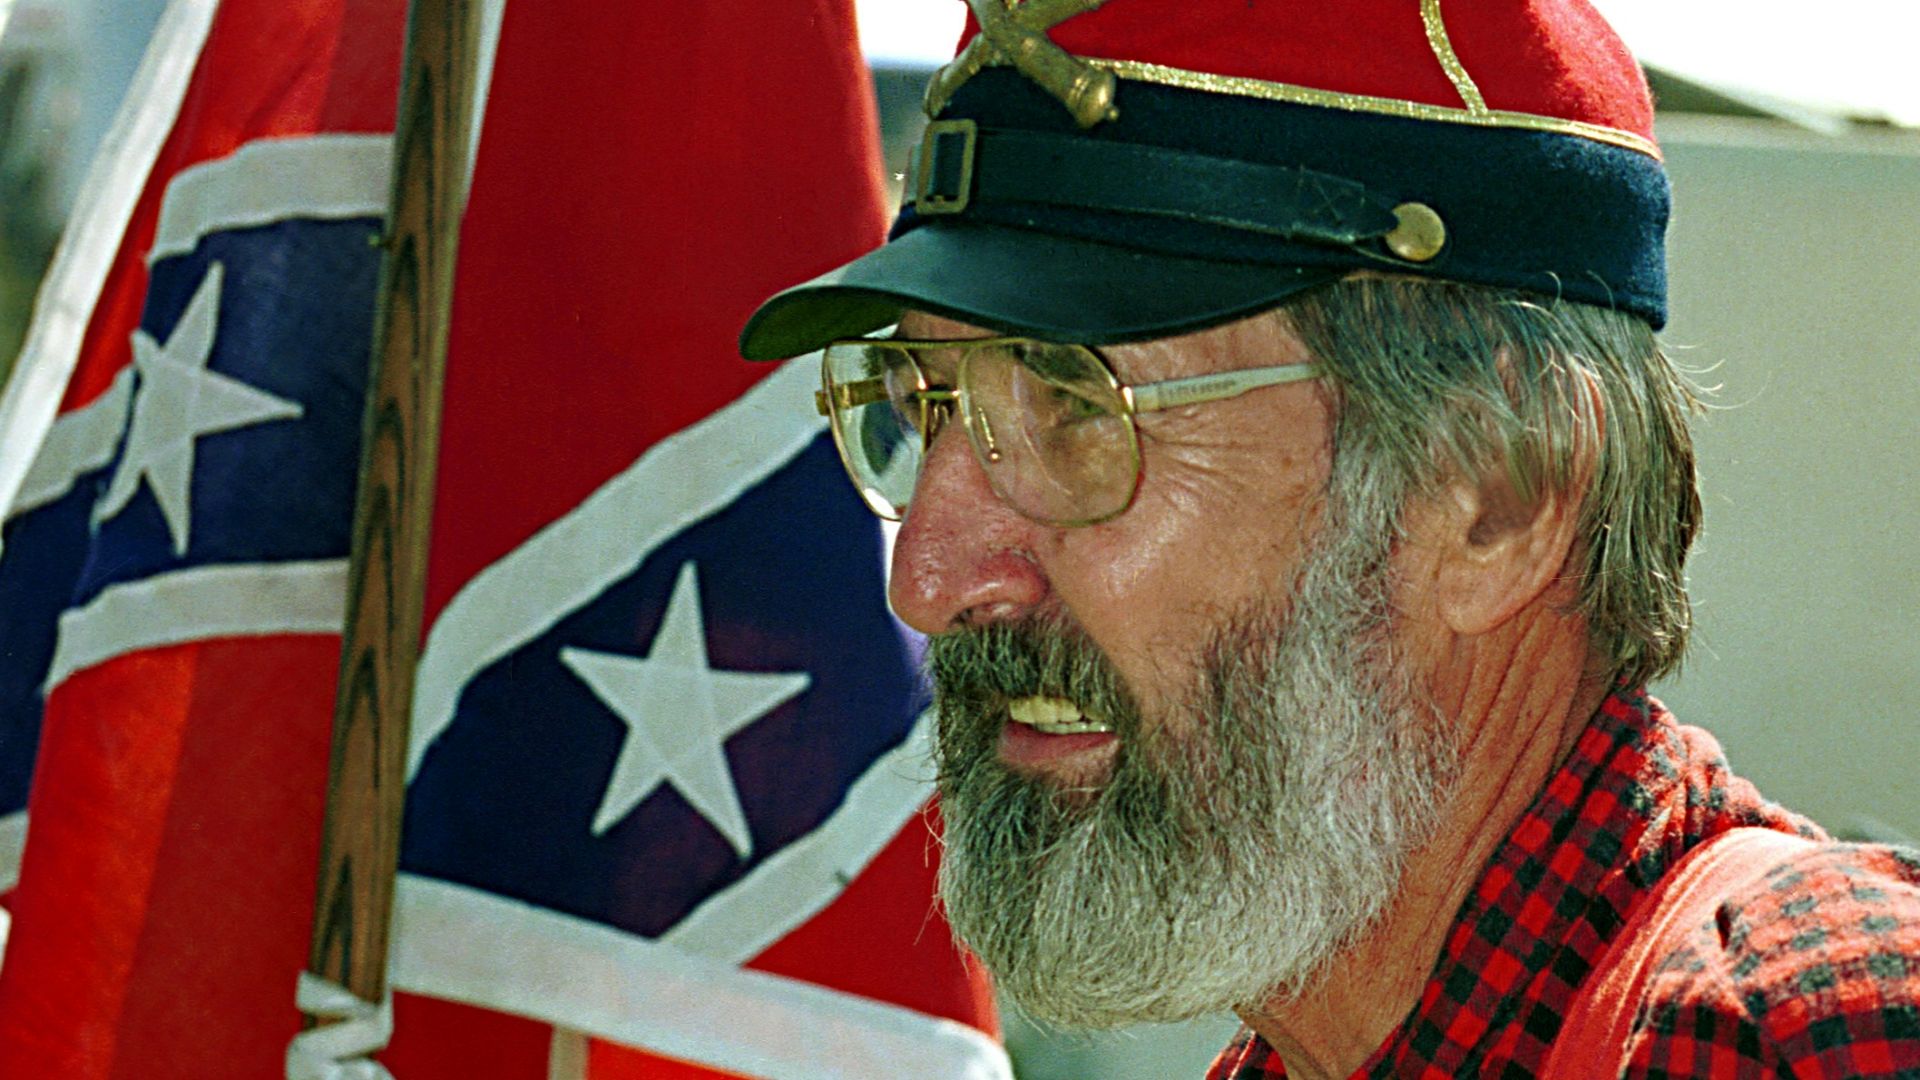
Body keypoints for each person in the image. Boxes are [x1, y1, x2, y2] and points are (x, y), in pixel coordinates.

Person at [739, 0, 1920, 1075]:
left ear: (1498, 490)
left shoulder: (1802, 1032)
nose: (928, 579)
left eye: (1075, 412)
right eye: (914, 407)